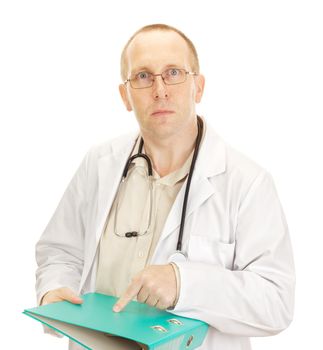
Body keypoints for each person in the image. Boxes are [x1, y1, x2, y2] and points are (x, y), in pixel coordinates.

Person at [35, 24, 295, 350]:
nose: (160, 89)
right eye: (143, 76)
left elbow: (277, 302)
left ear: (198, 87)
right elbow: (60, 251)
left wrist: (183, 283)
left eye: (173, 72)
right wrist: (54, 289)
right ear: (125, 95)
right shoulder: (99, 164)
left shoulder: (247, 182)